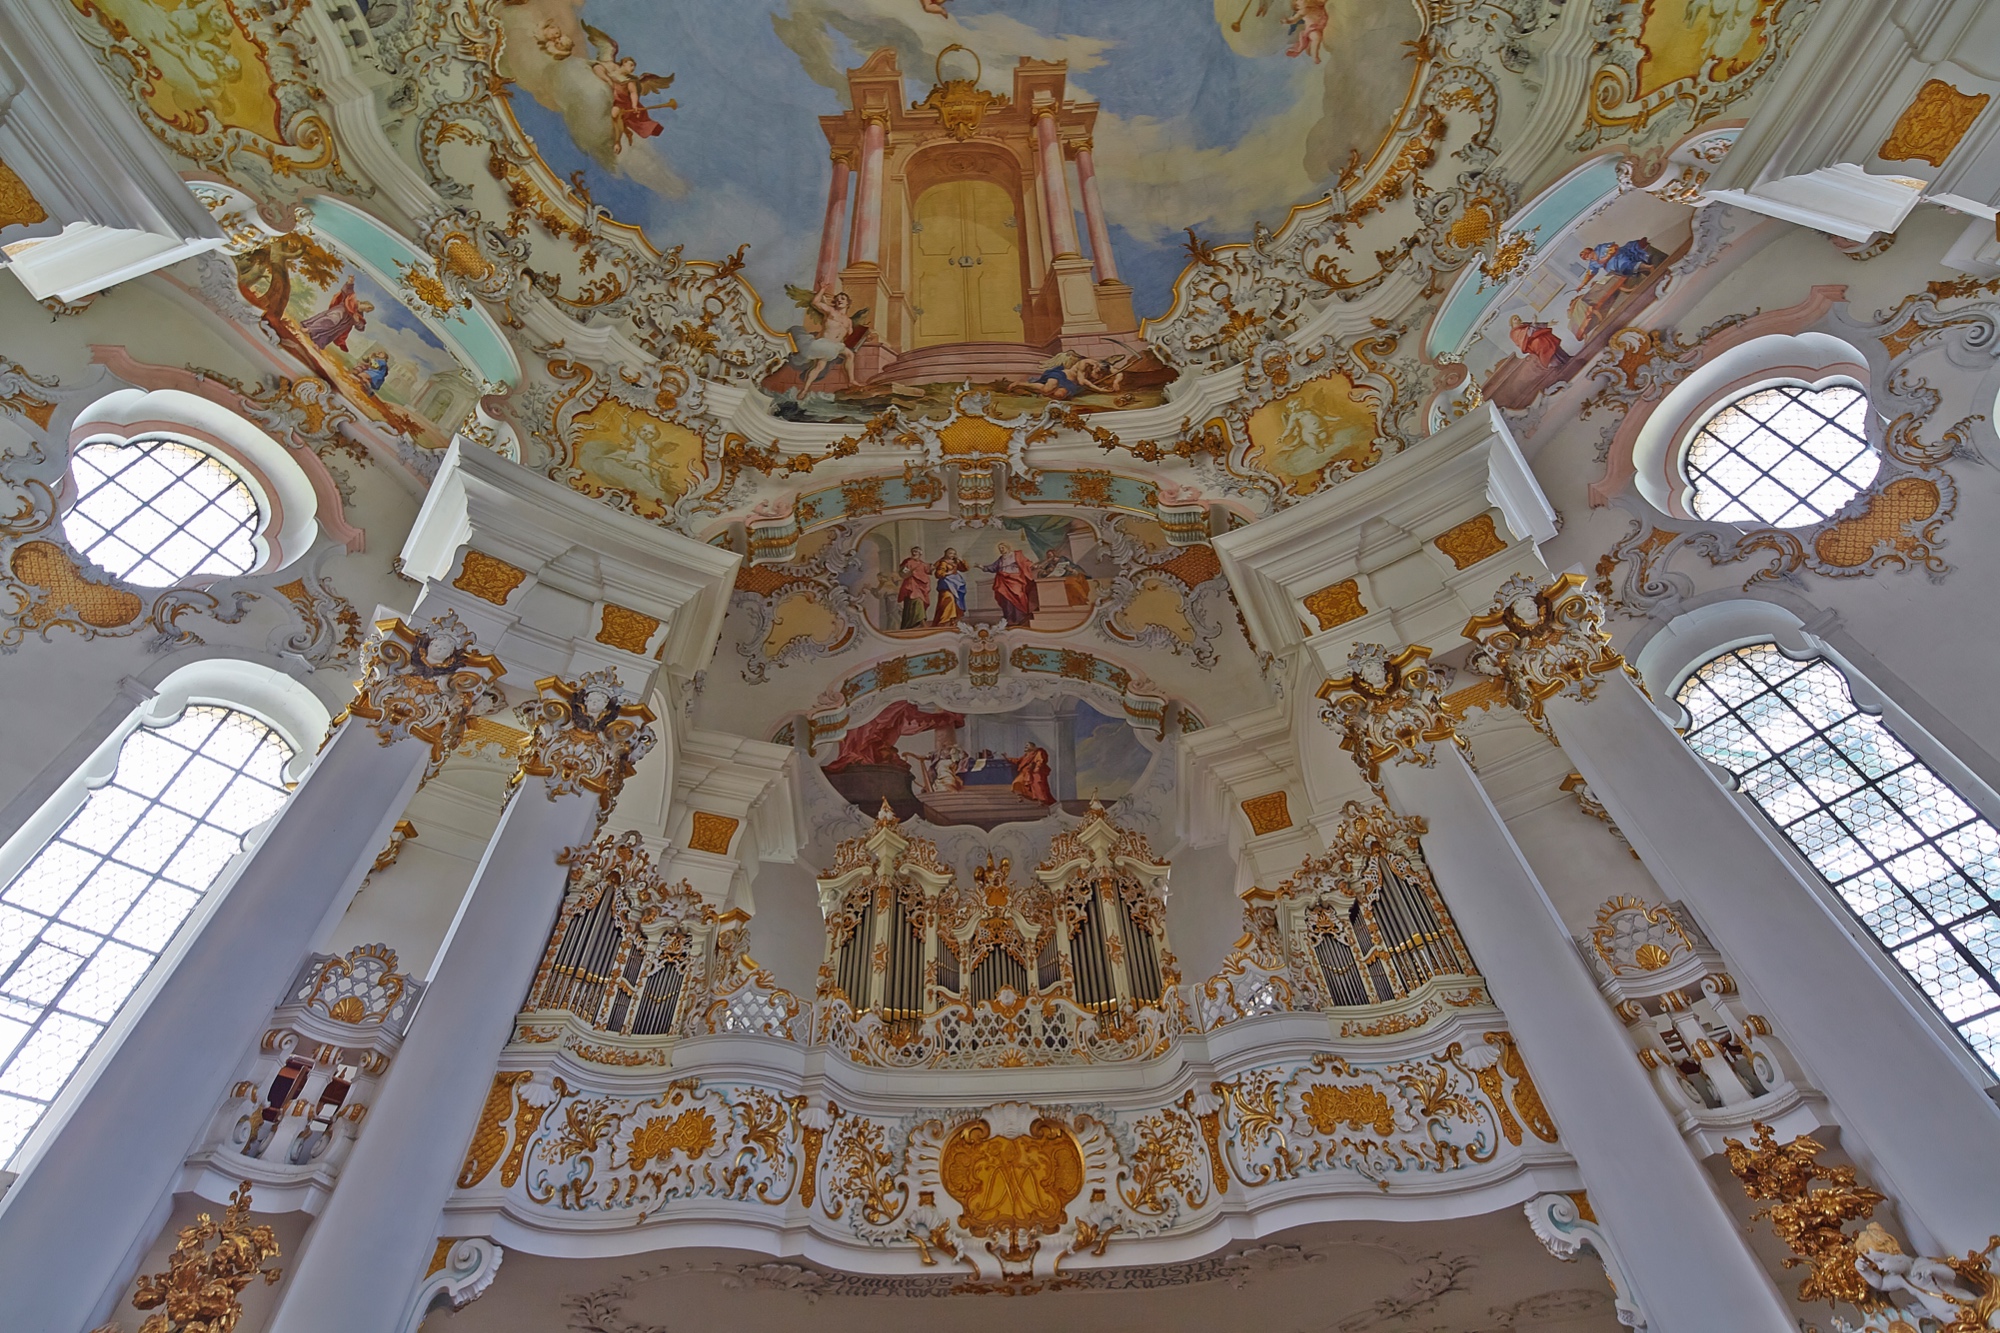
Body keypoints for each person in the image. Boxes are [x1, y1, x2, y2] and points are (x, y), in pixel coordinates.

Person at [301, 276, 371, 351]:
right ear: (363, 303)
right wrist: (350, 282)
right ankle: (309, 329)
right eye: (367, 307)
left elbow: (361, 327)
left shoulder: (360, 315)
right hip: (338, 314)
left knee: (330, 334)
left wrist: (357, 322)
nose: (367, 309)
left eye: (368, 310)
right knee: (327, 322)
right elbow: (347, 291)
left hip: (341, 326)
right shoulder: (352, 300)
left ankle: (317, 345)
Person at [985, 542, 1039, 627]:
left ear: (1007, 547)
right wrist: (982, 567)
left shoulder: (1015, 555)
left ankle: (1020, 618)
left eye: (1002, 548)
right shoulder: (1001, 558)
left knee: (1018, 596)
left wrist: (1032, 565)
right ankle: (1009, 619)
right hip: (1003, 580)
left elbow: (1025, 562)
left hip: (1015, 579)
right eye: (1000, 548)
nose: (1001, 550)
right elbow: (993, 567)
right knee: (1006, 600)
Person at [895, 547, 931, 630]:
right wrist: (910, 573)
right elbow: (903, 574)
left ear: (920, 554)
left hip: (921, 586)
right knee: (917, 601)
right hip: (911, 585)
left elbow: (928, 571)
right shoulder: (908, 562)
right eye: (913, 551)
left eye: (916, 552)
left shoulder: (923, 564)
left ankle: (915, 623)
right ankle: (922, 622)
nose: (914, 553)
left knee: (919, 602)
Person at [931, 548, 968, 625]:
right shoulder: (943, 562)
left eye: (954, 553)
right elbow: (938, 574)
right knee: (948, 600)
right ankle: (944, 621)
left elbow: (964, 569)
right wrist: (948, 573)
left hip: (956, 584)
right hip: (946, 584)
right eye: (950, 553)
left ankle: (953, 621)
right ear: (946, 554)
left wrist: (961, 561)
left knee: (956, 602)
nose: (952, 555)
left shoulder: (955, 562)